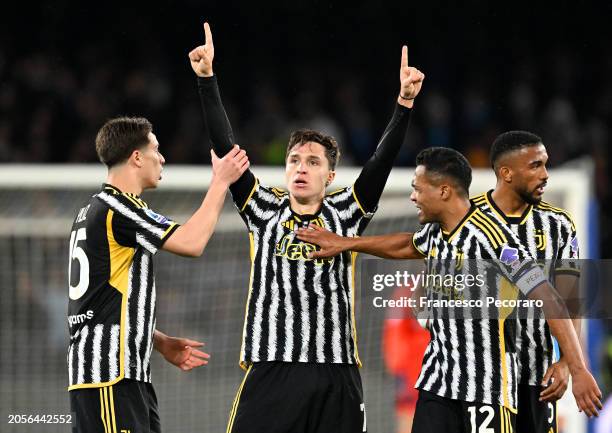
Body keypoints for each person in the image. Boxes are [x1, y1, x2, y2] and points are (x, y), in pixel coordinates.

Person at [189, 21, 424, 433]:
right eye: (295, 160)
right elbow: (227, 149)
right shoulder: (261, 207)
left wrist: (403, 104)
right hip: (272, 368)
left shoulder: (347, 212)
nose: (301, 167)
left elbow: (379, 166)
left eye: (313, 162)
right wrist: (207, 79)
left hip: (336, 370)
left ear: (330, 176)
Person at [296, 147, 602, 432]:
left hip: (486, 391)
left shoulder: (495, 239)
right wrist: (347, 243)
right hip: (438, 385)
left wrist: (576, 367)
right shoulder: (435, 233)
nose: (413, 197)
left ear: (443, 191)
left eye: (418, 188)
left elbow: (549, 297)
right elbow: (405, 243)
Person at [67, 116, 249, 433]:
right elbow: (192, 243)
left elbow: (99, 300)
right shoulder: (119, 208)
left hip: (121, 375)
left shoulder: (93, 210)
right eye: (156, 149)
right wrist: (220, 182)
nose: (162, 158)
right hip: (110, 377)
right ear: (137, 157)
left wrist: (157, 339)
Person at [472, 130, 582, 433]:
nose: (546, 174)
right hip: (482, 381)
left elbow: (571, 299)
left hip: (538, 377)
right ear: (506, 173)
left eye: (545, 164)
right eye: (535, 166)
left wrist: (565, 364)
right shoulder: (469, 220)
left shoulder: (559, 225)